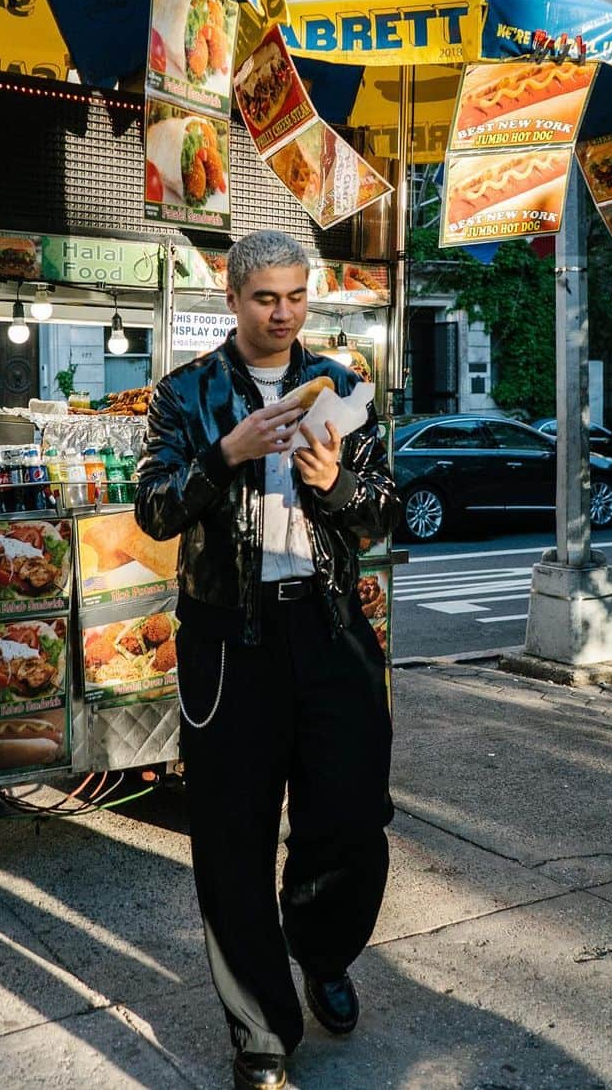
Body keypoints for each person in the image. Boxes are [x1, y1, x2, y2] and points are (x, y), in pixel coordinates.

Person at [135, 230, 399, 1090]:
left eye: (294, 297)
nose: (282, 314)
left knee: (352, 817)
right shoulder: (185, 395)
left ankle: (321, 949)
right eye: (264, 298)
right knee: (230, 841)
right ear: (233, 297)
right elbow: (155, 511)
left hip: (328, 628)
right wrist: (226, 456)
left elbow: (382, 516)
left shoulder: (347, 388)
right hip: (226, 640)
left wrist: (338, 489)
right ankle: (260, 1033)